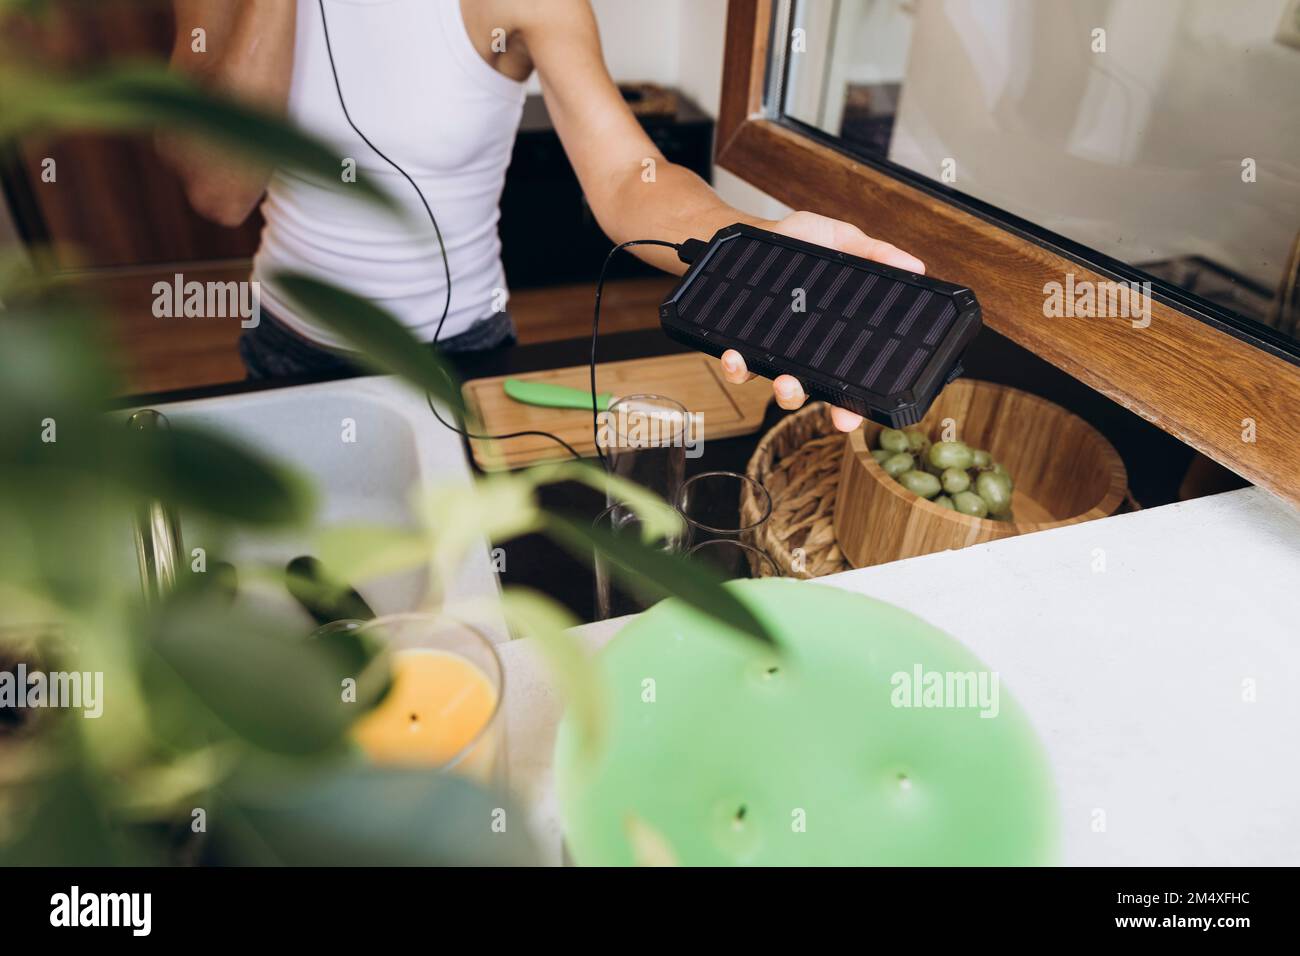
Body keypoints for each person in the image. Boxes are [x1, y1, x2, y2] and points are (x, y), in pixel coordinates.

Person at [160, 0, 924, 432]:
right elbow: (218, 192)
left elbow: (628, 176)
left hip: (461, 354)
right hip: (290, 345)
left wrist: (754, 252)